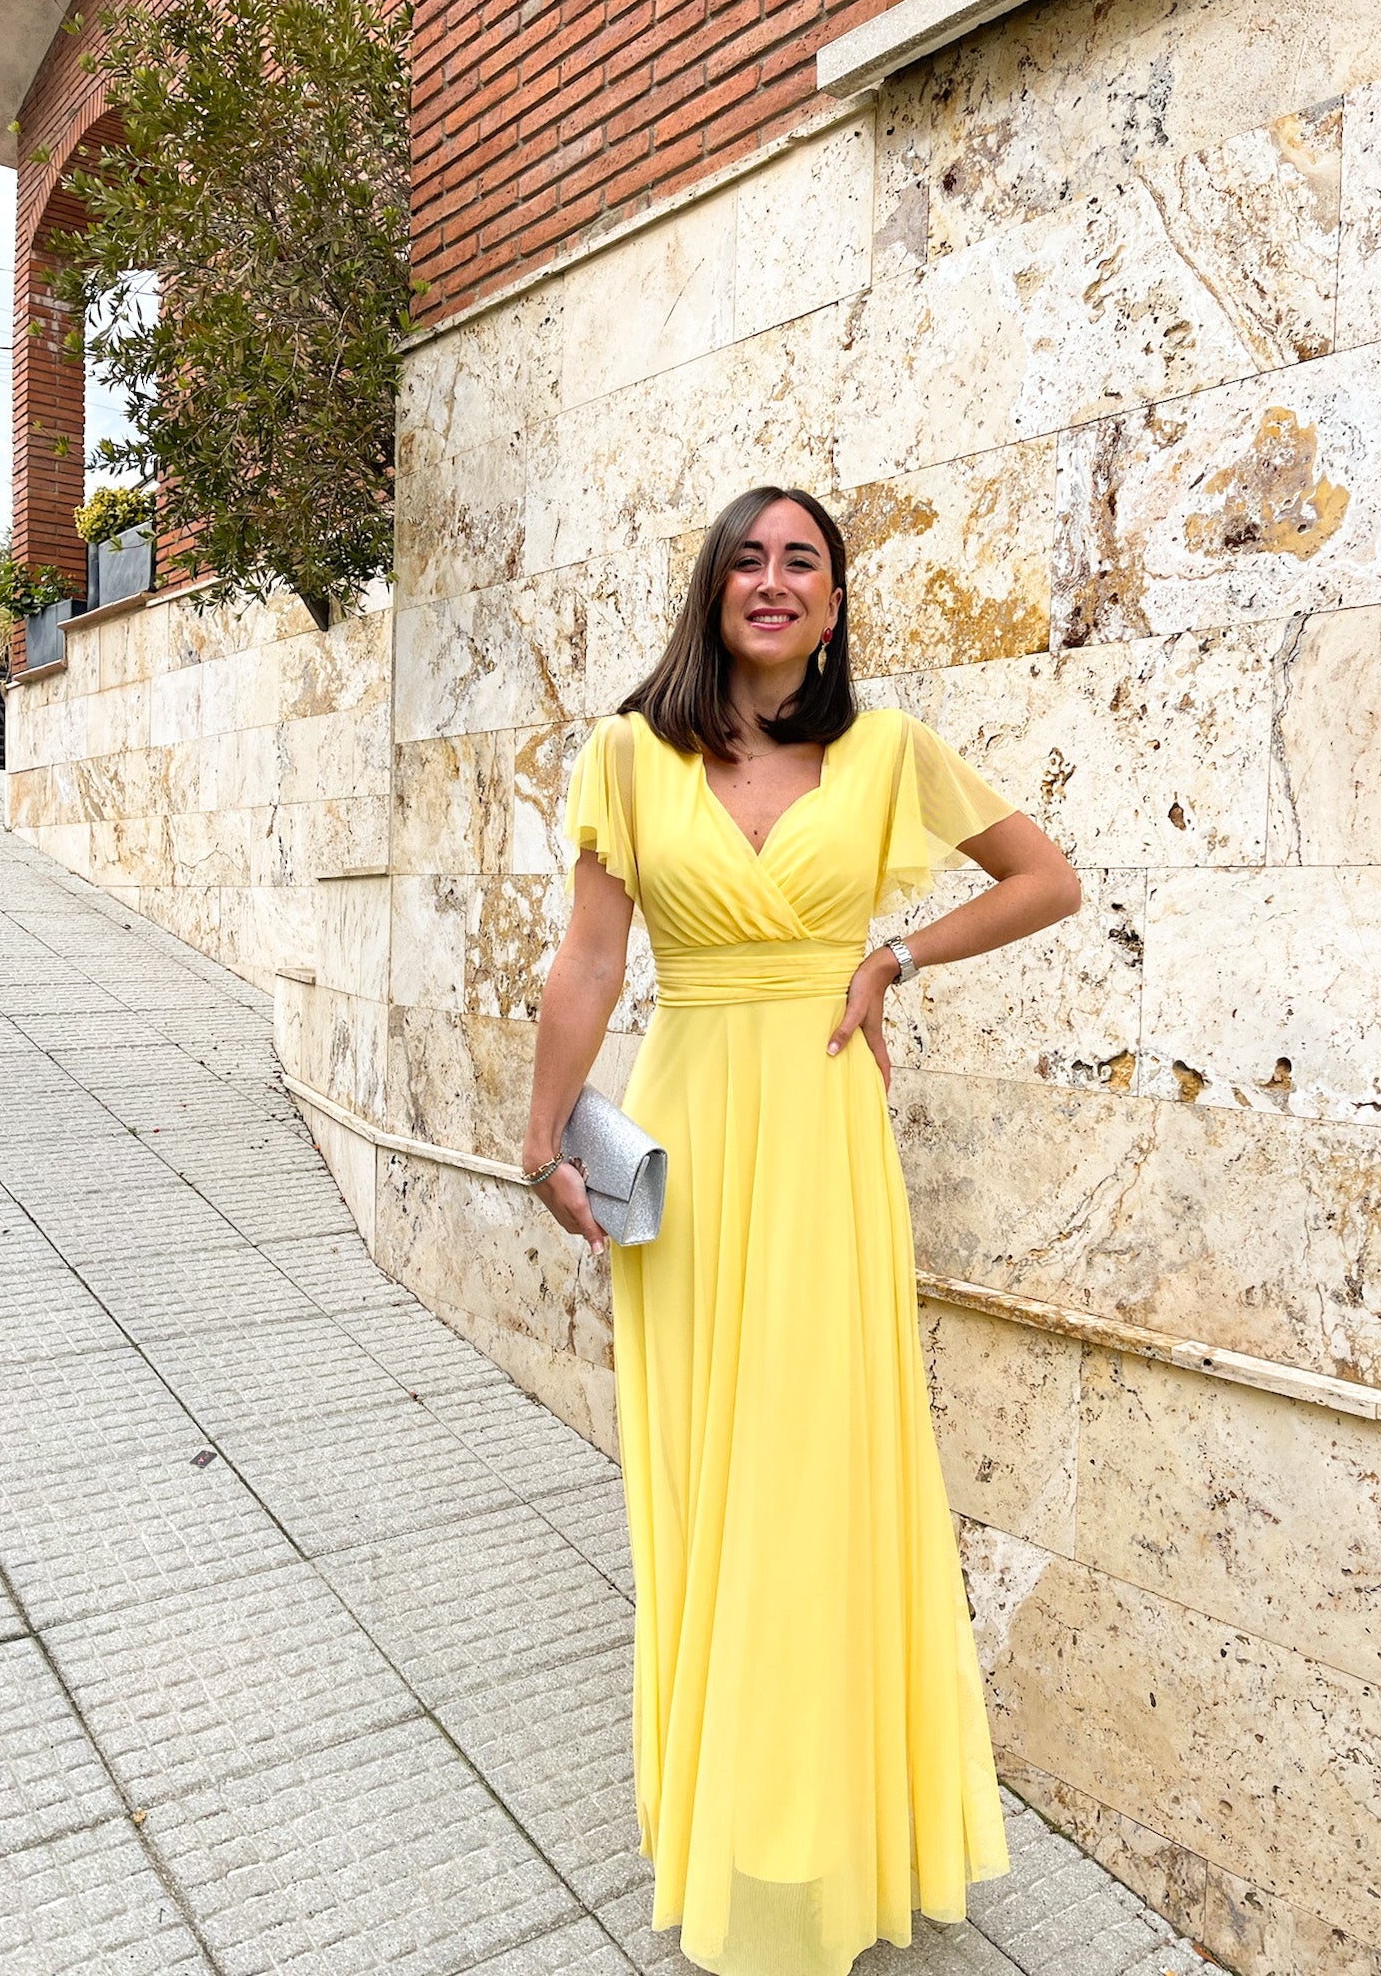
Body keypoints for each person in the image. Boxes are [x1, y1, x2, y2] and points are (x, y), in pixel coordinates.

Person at [521, 486, 1082, 1976]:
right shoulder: (630, 755)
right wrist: (537, 1133)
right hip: (689, 1143)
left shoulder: (887, 754)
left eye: (805, 563)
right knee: (710, 1475)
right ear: (712, 589)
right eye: (749, 560)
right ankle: (733, 1825)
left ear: (835, 602)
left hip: (827, 1142)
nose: (775, 582)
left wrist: (892, 954)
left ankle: (822, 1840)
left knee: (820, 1477)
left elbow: (1048, 878)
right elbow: (587, 959)